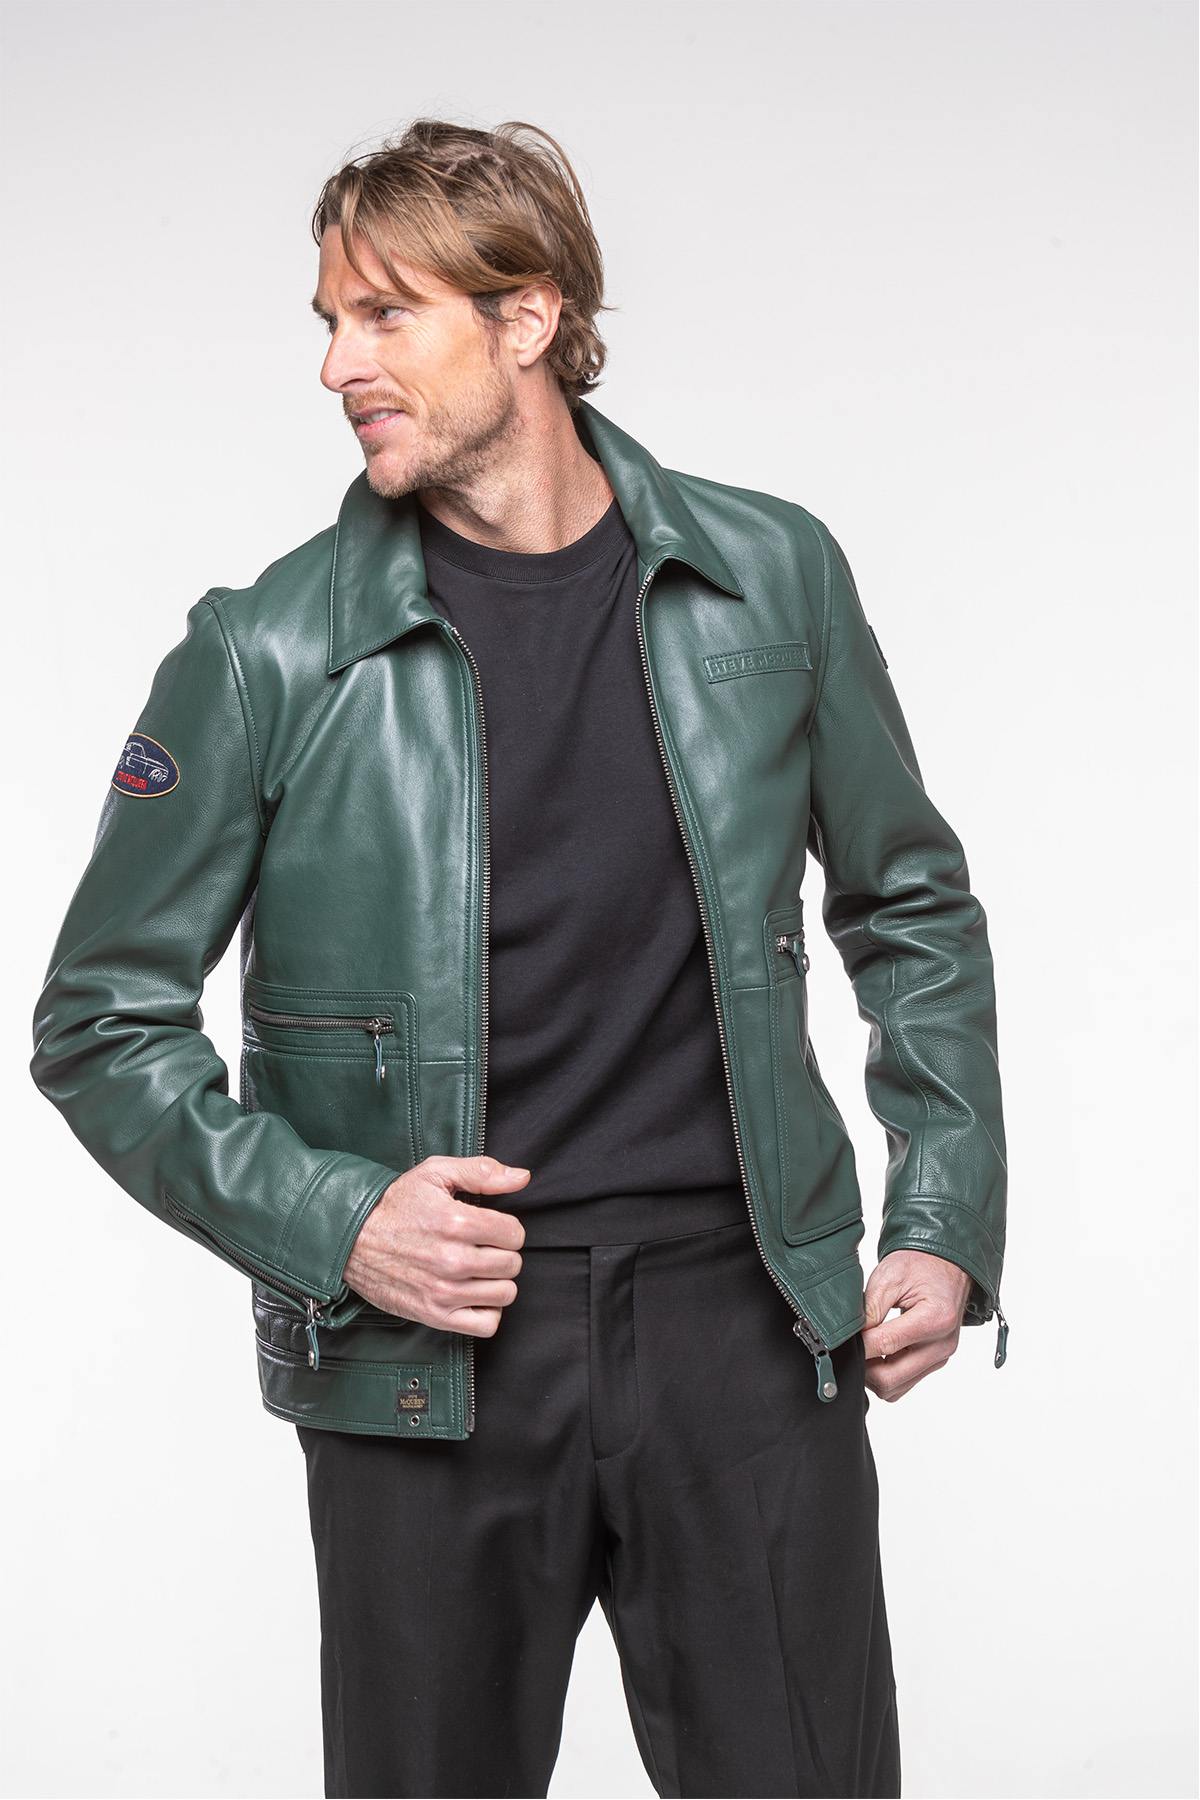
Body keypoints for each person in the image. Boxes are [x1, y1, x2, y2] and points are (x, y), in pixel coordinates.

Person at [30, 117, 1008, 1799]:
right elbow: (100, 1022)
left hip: (747, 1327)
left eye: (384, 314)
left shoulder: (772, 575)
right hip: (429, 1354)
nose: (337, 365)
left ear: (530, 318)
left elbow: (910, 901)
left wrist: (944, 1212)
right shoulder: (268, 651)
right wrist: (338, 1221)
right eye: (328, 321)